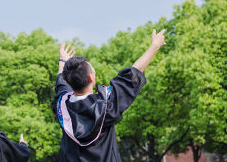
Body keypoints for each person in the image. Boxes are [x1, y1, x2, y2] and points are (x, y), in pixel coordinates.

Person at [53, 29, 167, 162]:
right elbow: (134, 73)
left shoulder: (62, 106)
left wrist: (62, 60)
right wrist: (155, 46)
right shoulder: (106, 105)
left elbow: (61, 84)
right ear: (91, 78)